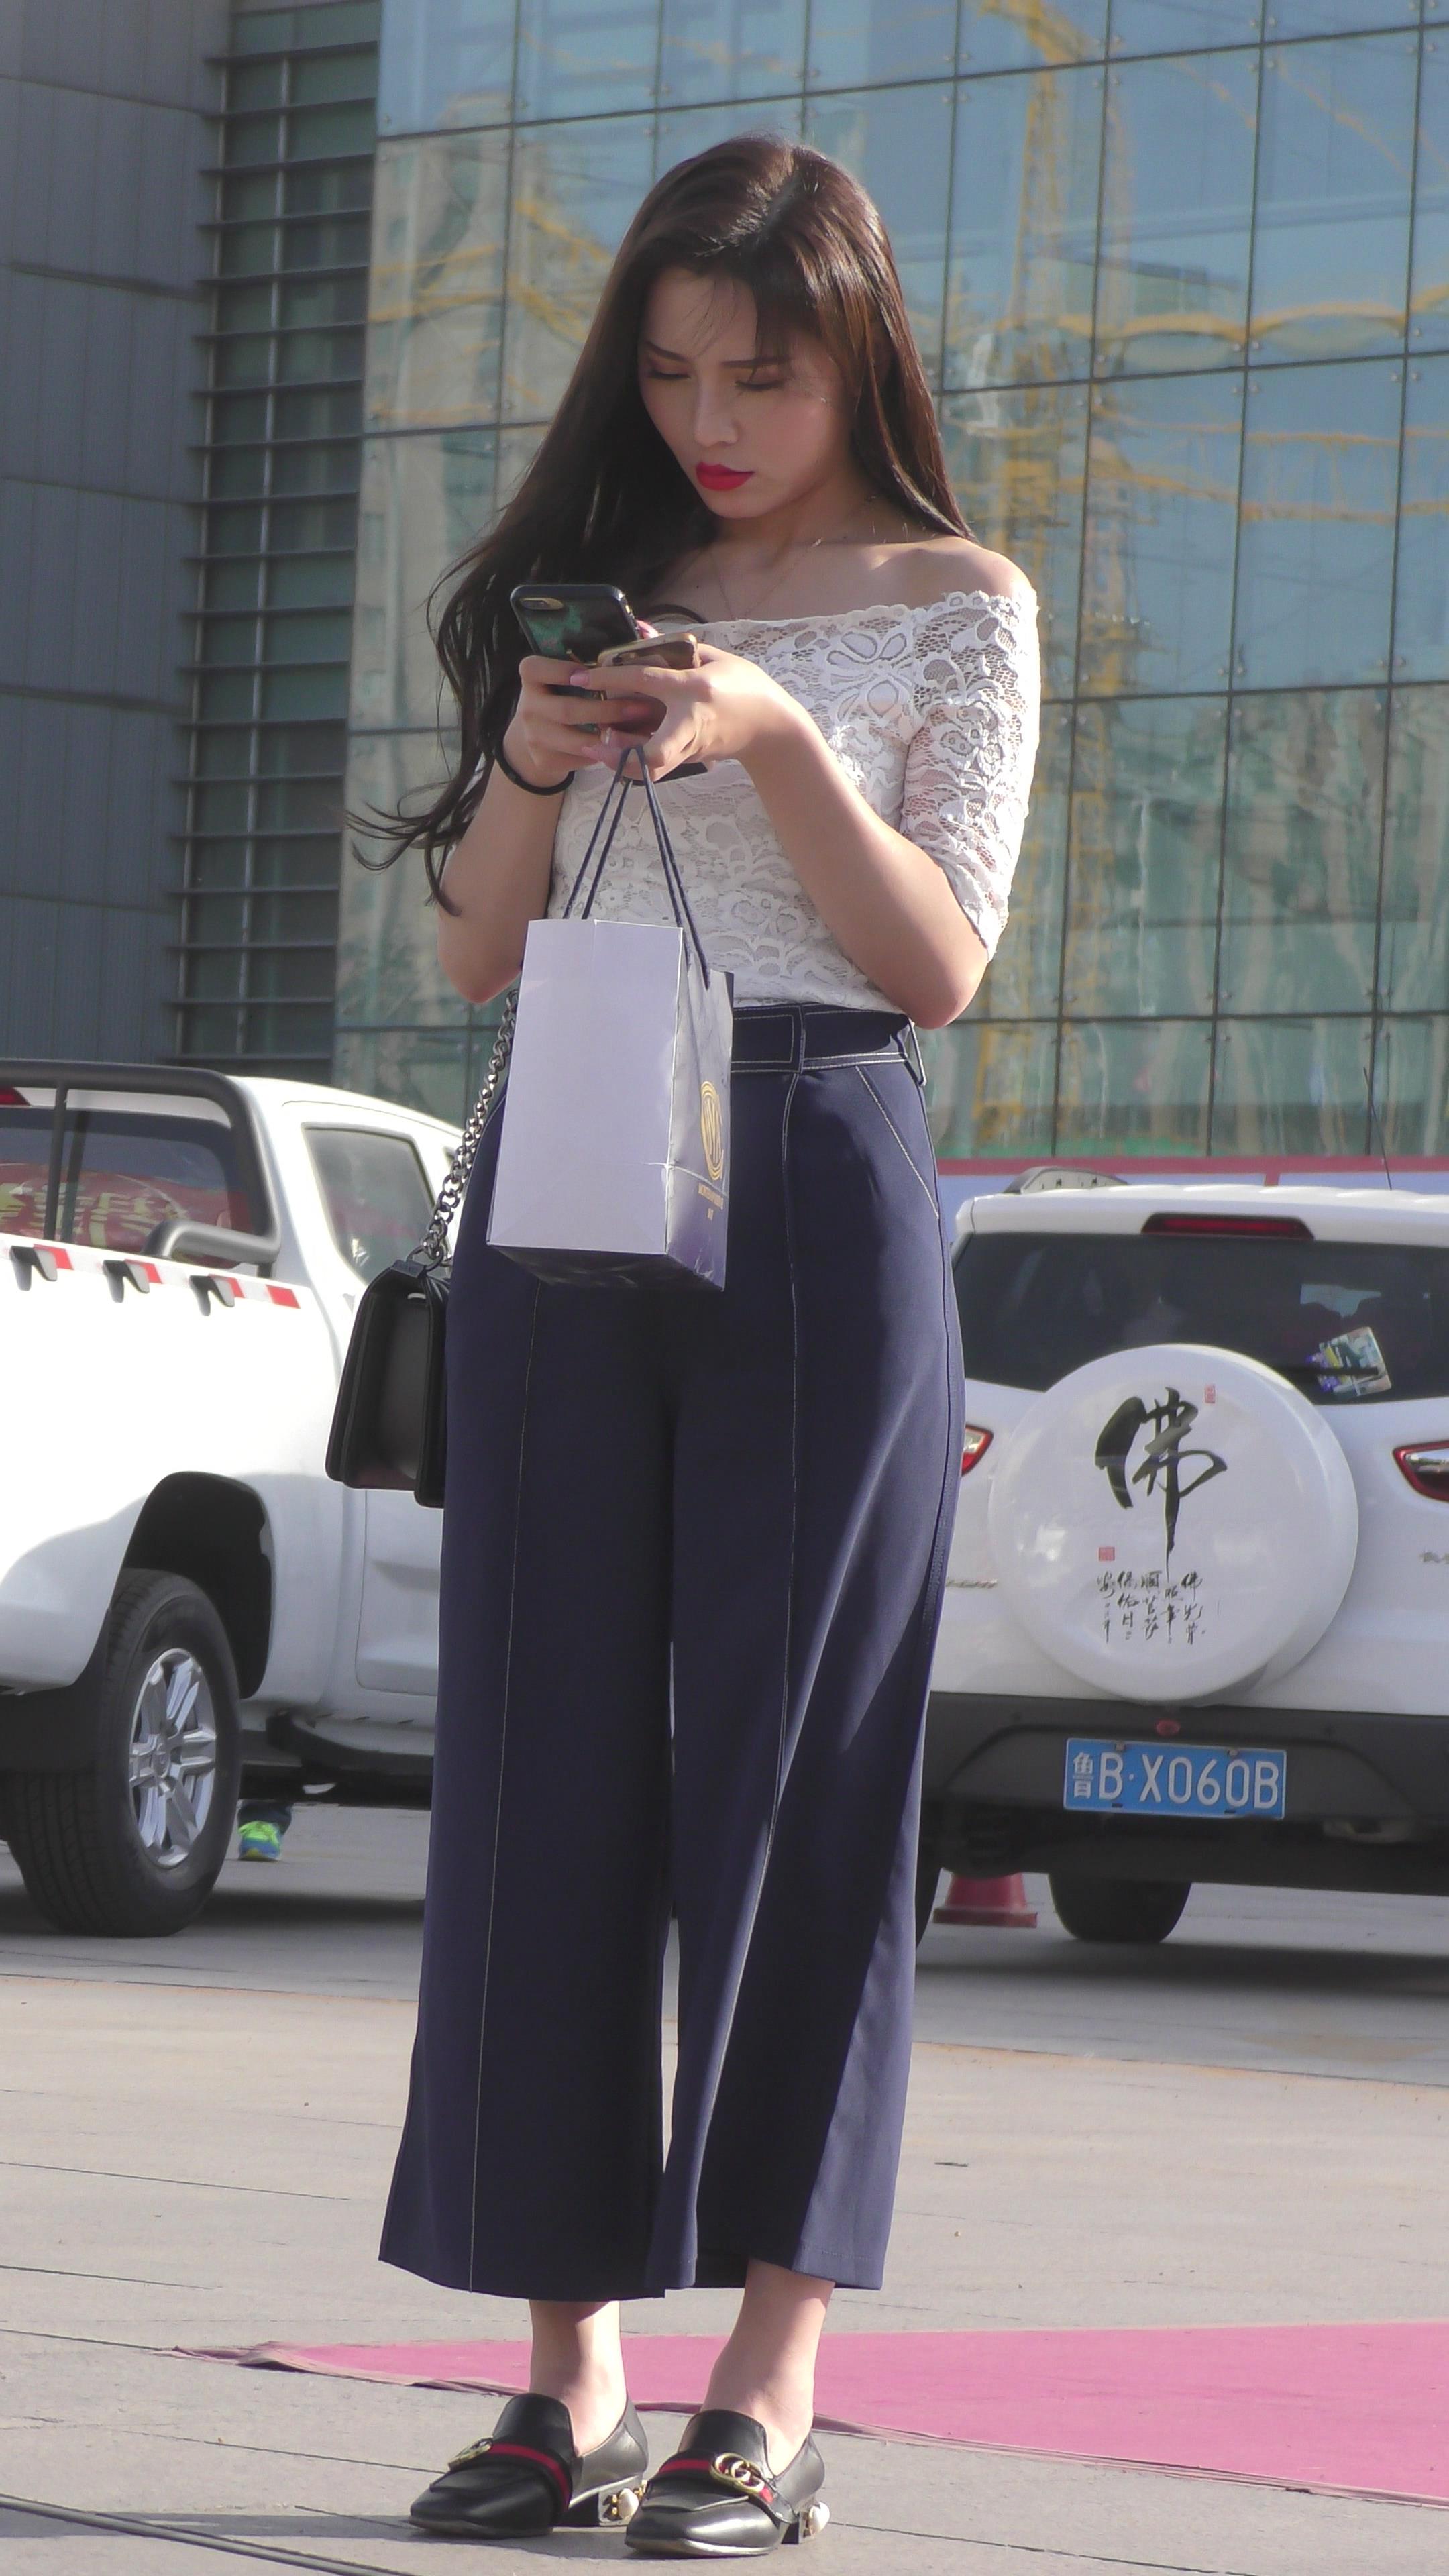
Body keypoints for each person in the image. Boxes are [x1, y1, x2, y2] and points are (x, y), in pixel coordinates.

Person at [370, 135, 1040, 2555]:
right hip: (575, 1156)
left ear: (857, 352)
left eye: (760, 374)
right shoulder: (595, 578)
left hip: (822, 1160)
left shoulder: (961, 604)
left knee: (804, 1773)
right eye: (667, 374)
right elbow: (473, 948)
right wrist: (537, 755)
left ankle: (768, 2379)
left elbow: (935, 963)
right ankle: (563, 2374)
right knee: (538, 1752)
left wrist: (771, 732)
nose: (711, 422)